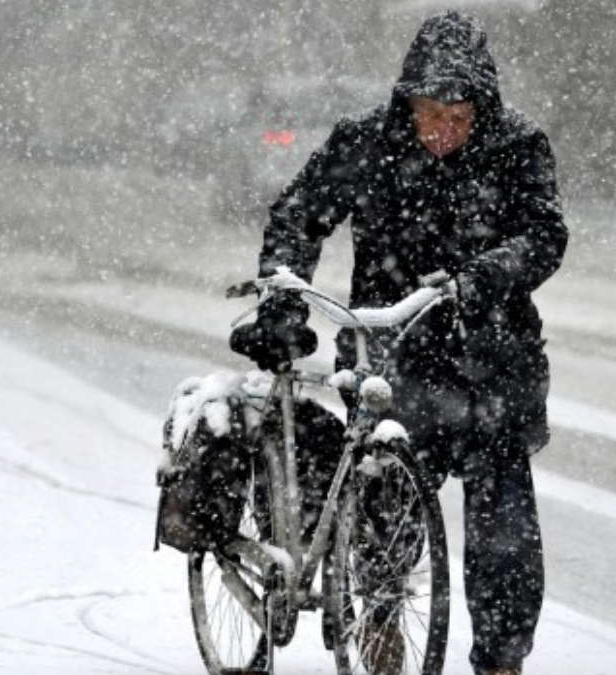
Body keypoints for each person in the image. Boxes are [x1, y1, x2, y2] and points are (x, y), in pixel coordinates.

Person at [231, 11, 568, 675]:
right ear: (406, 104)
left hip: (491, 371)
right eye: (429, 113)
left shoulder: (520, 146)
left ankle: (501, 663)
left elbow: (544, 235)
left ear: (484, 109)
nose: (443, 130)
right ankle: (382, 640)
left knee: (504, 539)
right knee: (383, 518)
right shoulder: (366, 142)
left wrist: (482, 276)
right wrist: (284, 294)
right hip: (394, 361)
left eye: (460, 117)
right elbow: (299, 215)